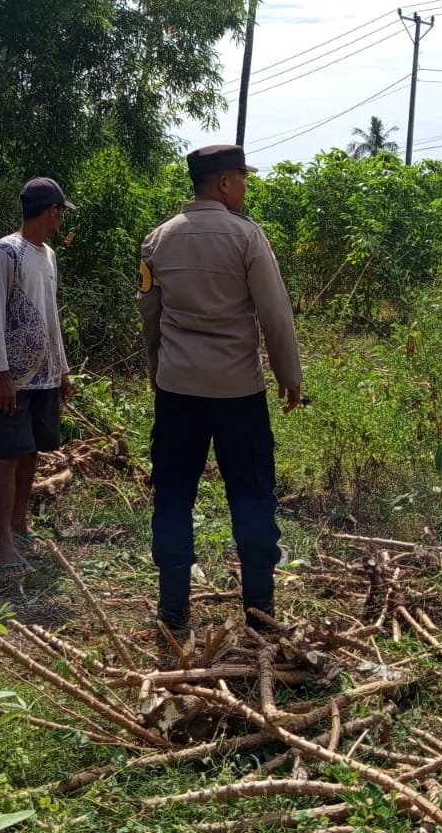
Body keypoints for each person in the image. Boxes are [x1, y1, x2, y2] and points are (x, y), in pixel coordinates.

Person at [136, 144, 303, 631]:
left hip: (177, 391)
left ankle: (173, 605)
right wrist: (289, 375)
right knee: (251, 493)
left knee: (173, 494)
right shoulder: (247, 237)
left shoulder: (158, 240)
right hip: (237, 392)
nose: (245, 189)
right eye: (242, 180)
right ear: (225, 183)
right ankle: (258, 607)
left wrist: (157, 368)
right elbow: (275, 313)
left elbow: (150, 314)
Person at [0, 177, 75, 569]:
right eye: (61, 212)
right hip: (13, 379)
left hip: (45, 375)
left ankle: (20, 523)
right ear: (52, 211)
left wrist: (62, 370)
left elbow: (51, 314)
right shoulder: (5, 252)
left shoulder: (48, 255)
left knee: (32, 448)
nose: (62, 219)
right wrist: (0, 374)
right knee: (8, 453)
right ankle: (3, 540)